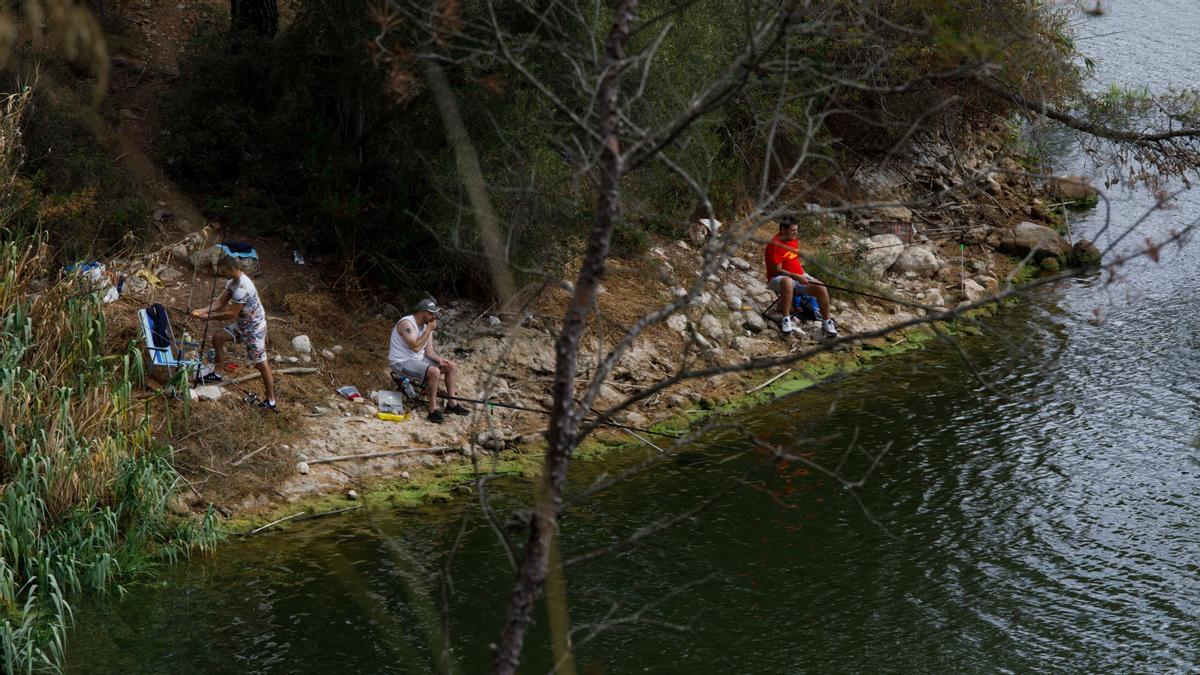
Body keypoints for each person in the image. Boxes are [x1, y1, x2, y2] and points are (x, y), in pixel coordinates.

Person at [192, 254, 278, 413]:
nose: (221, 273)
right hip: (243, 324)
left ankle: (271, 401)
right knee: (217, 338)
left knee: (261, 364)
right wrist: (200, 311)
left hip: (254, 328)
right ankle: (217, 373)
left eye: (223, 270)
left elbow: (232, 314)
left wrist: (208, 317)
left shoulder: (243, 287)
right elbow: (220, 302)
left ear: (232, 269)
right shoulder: (231, 282)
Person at [388, 298, 468, 423]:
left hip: (419, 360)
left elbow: (429, 351)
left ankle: (452, 404)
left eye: (434, 313)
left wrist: (440, 359)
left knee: (451, 366)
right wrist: (429, 330)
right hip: (401, 362)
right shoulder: (407, 324)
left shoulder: (426, 326)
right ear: (421, 312)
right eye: (431, 313)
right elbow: (415, 347)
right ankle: (432, 411)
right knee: (434, 372)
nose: (433, 316)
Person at [764, 215, 838, 337]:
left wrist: (802, 275)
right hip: (778, 279)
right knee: (787, 281)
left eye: (796, 230)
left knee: (821, 287)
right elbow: (777, 271)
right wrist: (796, 277)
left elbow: (794, 261)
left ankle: (826, 322)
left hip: (799, 277)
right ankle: (786, 320)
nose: (795, 233)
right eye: (793, 230)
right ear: (783, 230)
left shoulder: (792, 240)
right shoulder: (775, 245)